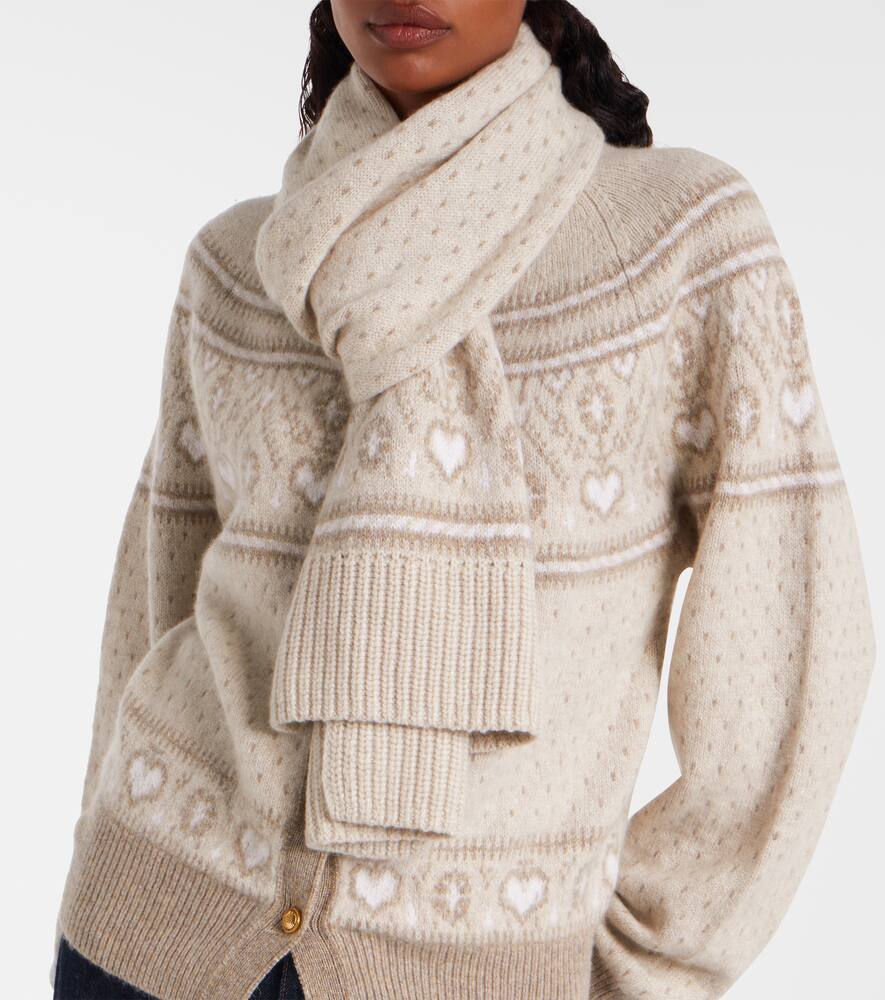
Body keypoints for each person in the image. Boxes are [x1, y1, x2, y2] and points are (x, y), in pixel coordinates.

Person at [52, 2, 876, 998]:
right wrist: (96, 832)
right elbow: (151, 607)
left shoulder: (677, 242)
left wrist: (649, 953)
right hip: (149, 926)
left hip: (484, 966)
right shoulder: (235, 264)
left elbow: (796, 644)